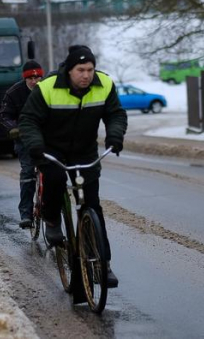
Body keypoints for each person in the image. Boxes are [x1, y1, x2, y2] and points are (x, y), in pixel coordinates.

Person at [18, 45, 127, 287]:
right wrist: (35, 145)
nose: (86, 75)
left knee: (92, 205)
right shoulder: (47, 88)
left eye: (90, 69)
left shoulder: (105, 85)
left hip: (84, 150)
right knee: (54, 179)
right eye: (81, 70)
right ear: (69, 70)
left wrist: (115, 136)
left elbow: (116, 114)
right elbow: (29, 120)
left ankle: (103, 264)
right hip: (52, 149)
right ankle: (52, 221)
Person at [0, 60, 45, 228]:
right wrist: (14, 129)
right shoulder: (14, 93)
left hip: (47, 137)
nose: (34, 81)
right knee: (28, 173)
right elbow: (3, 115)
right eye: (30, 78)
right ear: (25, 78)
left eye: (37, 77)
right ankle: (26, 213)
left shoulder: (49, 89)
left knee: (55, 170)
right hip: (25, 139)